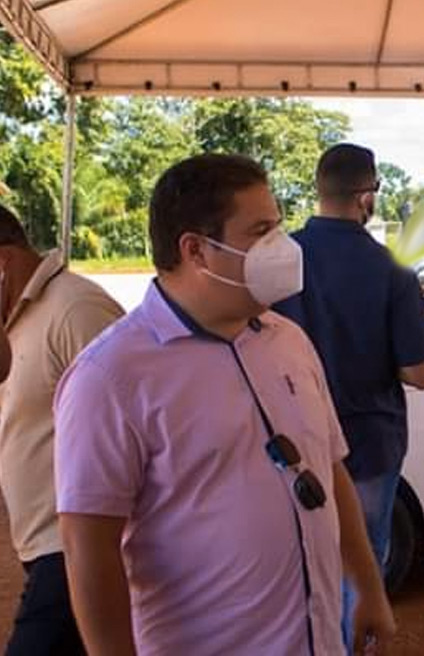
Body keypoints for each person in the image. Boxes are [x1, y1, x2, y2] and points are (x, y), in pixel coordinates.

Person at [53, 154, 395, 656]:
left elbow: (329, 470)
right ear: (196, 250)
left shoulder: (289, 341)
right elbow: (89, 545)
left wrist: (367, 586)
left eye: (278, 227)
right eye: (260, 232)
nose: (281, 247)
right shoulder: (110, 377)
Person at [273, 144, 424, 650]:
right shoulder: (392, 270)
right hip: (368, 444)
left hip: (288, 445)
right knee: (360, 565)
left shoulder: (280, 263)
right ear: (367, 197)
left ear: (319, 190)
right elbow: (420, 372)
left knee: (295, 567)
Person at [0, 204, 124, 655]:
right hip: (39, 546)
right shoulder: (12, 318)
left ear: (3, 261)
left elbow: (131, 418)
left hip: (72, 545)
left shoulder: (76, 309)